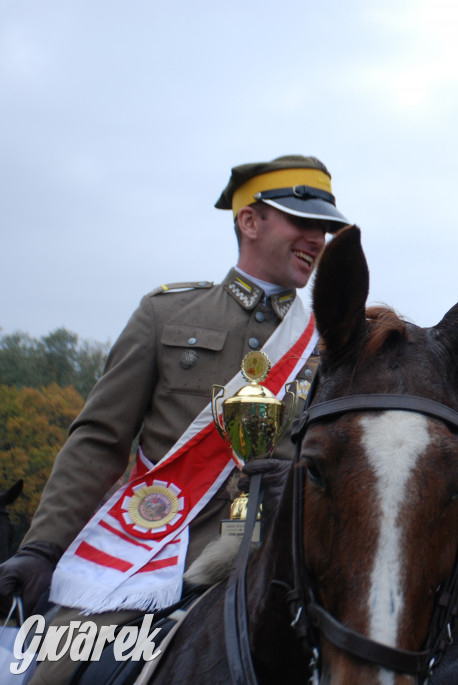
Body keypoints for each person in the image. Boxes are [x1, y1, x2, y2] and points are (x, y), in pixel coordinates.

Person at [0, 154, 350, 684]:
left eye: (324, 228)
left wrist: (302, 488)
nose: (316, 240)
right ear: (249, 221)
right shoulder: (167, 315)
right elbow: (99, 439)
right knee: (58, 668)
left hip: (285, 554)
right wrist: (43, 546)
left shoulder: (331, 342)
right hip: (158, 552)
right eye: (302, 222)